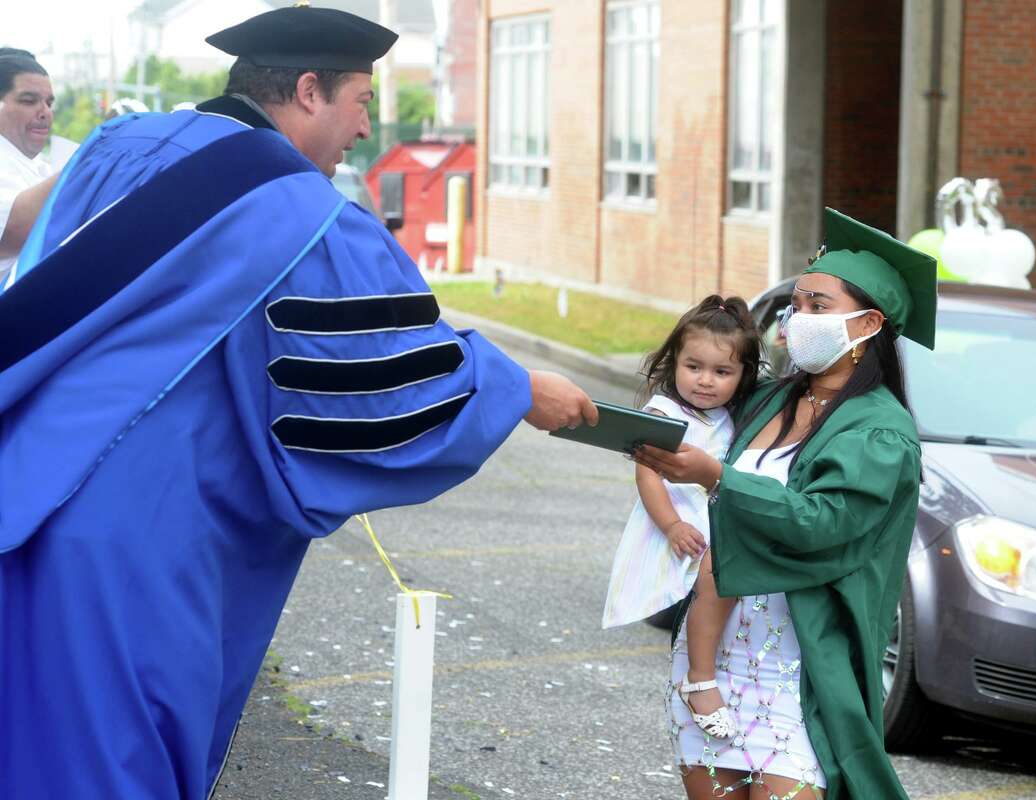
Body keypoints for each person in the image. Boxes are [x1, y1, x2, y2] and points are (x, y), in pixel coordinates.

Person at [0, 7, 595, 800]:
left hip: (24, 488)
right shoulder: (305, 218)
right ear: (310, 91)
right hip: (139, 542)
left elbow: (26, 234)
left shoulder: (117, 145)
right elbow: (382, 381)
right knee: (112, 767)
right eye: (360, 100)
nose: (366, 126)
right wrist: (516, 388)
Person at [636, 208, 936, 800]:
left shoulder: (880, 432)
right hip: (714, 657)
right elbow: (697, 388)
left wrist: (719, 477)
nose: (797, 319)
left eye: (817, 306)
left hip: (800, 667)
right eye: (796, 305)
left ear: (867, 322)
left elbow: (824, 524)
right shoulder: (769, 400)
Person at [602, 296, 759, 740]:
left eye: (722, 372)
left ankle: (718, 673)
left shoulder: (732, 416)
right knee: (716, 582)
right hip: (679, 520)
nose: (705, 381)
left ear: (743, 375)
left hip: (715, 517)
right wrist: (670, 525)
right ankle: (699, 678)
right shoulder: (664, 413)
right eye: (694, 367)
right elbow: (648, 474)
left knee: (727, 599)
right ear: (674, 363)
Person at [0, 49, 55, 283]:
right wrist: (91, 163)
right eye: (29, 101)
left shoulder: (42, 166)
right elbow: (12, 232)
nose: (45, 112)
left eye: (49, 102)